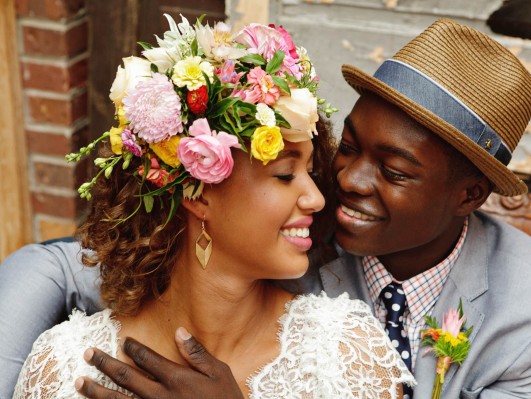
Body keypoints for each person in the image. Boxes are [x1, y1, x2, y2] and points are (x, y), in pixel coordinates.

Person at [2, 18, 531, 399]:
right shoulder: (289, 223)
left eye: (394, 172)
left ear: (468, 196)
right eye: (351, 148)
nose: (342, 181)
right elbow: (66, 265)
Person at [9, 15, 414, 399]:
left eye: (310, 171)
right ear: (198, 195)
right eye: (286, 175)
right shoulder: (62, 366)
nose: (317, 197)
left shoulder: (348, 356)